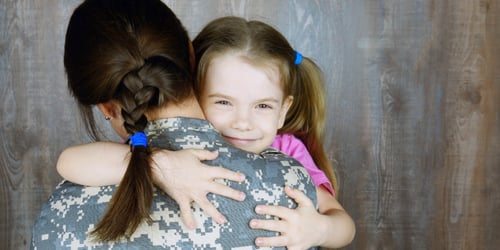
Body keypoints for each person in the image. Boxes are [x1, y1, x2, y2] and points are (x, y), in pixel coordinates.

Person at [31, 0, 317, 249]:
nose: (243, 123)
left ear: (105, 105)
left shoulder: (59, 213)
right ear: (192, 57)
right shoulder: (292, 187)